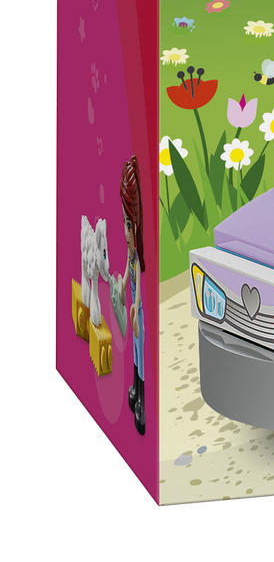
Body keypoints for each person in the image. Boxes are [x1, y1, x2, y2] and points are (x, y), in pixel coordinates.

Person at [107, 155, 146, 435]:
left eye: (129, 225)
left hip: (137, 315)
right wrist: (121, 287)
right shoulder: (130, 256)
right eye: (124, 223)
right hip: (132, 312)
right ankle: (134, 386)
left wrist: (134, 309)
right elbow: (126, 274)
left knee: (140, 353)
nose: (126, 232)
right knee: (134, 351)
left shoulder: (138, 258)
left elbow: (139, 291)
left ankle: (141, 396)